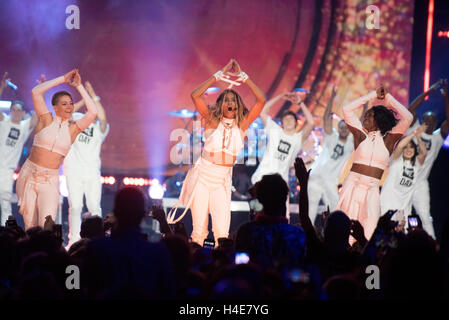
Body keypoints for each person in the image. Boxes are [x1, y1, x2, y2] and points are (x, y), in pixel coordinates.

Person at [167, 59, 266, 246]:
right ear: (220, 105)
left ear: (238, 105)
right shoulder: (211, 120)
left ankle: (219, 269)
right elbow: (195, 95)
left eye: (233, 100)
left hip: (222, 180)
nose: (229, 103)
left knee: (222, 232)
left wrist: (244, 76)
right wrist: (217, 75)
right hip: (202, 176)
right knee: (198, 232)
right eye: (226, 100)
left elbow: (261, 100)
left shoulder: (242, 125)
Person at [15, 70, 98, 230]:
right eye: (64, 103)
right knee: (30, 226)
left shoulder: (74, 129)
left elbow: (93, 112)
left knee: (47, 226)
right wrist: (63, 79)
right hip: (29, 176)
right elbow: (36, 92)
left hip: (50, 180)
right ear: (54, 107)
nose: (69, 106)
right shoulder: (45, 120)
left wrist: (79, 86)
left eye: (71, 103)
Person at [335, 86, 413, 240]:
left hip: (372, 189)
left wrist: (388, 98)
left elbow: (408, 117)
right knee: (345, 228)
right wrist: (372, 95)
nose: (365, 118)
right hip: (352, 185)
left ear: (379, 120)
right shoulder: (360, 134)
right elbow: (346, 109)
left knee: (369, 229)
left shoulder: (389, 139)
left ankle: (365, 262)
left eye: (369, 116)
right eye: (366, 115)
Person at [63, 80, 109, 246]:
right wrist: (85, 97)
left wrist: (93, 96)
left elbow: (102, 118)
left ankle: (96, 240)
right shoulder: (76, 121)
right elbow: (66, 114)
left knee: (94, 208)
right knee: (75, 207)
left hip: (91, 173)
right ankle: (73, 241)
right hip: (73, 171)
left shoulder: (98, 129)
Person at [404, 79, 449, 237]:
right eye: (425, 120)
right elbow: (410, 109)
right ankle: (400, 244)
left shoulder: (437, 138)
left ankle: (432, 249)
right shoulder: (415, 131)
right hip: (406, 179)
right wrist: (429, 92)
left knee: (426, 218)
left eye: (431, 120)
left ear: (436, 123)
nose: (428, 123)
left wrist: (445, 96)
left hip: (421, 183)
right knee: (401, 215)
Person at [307, 86, 354, 225]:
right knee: (310, 210)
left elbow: (360, 124)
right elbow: (326, 117)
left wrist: (365, 108)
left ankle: (334, 236)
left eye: (346, 128)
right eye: (341, 127)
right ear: (338, 129)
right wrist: (332, 98)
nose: (344, 130)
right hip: (316, 177)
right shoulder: (331, 136)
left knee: (335, 210)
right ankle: (307, 236)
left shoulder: (351, 143)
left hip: (331, 181)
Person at [251, 91, 315, 186]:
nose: (288, 121)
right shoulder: (275, 131)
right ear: (282, 123)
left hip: (280, 184)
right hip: (262, 178)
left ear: (296, 123)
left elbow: (311, 122)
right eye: (286, 119)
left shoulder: (298, 139)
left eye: (291, 119)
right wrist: (280, 96)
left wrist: (300, 103)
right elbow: (262, 112)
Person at [0, 85, 38, 225]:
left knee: (5, 204)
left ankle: (5, 234)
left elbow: (37, 114)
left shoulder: (24, 127)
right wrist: (2, 88)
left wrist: (40, 90)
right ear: (10, 111)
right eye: (14, 110)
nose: (16, 113)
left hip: (6, 171)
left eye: (19, 110)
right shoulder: (3, 121)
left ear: (23, 113)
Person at [380, 123, 428, 229]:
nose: (408, 149)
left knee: (400, 241)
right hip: (387, 205)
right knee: (383, 236)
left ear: (415, 150)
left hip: (403, 208)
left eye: (411, 147)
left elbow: (424, 153)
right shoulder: (396, 160)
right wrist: (415, 132)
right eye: (406, 148)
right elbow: (401, 145)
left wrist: (418, 137)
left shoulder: (416, 165)